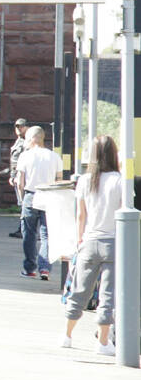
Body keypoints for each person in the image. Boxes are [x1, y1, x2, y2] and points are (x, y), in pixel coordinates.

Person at [63, 136, 123, 356]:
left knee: (79, 290)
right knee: (107, 295)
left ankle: (67, 336)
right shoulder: (119, 180)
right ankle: (103, 342)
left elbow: (81, 215)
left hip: (89, 241)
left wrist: (79, 240)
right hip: (113, 243)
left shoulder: (85, 180)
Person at [15, 125, 59, 279]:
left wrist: (21, 199)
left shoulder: (25, 156)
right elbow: (58, 180)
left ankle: (30, 269)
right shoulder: (54, 156)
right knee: (47, 235)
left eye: (27, 139)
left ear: (32, 139)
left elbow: (20, 182)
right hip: (49, 196)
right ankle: (45, 268)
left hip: (31, 196)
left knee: (29, 234)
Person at [7, 118, 28, 237]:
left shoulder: (27, 143)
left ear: (27, 127)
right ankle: (22, 228)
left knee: (24, 204)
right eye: (17, 126)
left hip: (23, 178)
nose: (19, 128)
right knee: (22, 204)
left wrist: (16, 176)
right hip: (17, 177)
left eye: (21, 126)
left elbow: (20, 162)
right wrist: (12, 176)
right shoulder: (19, 141)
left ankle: (23, 229)